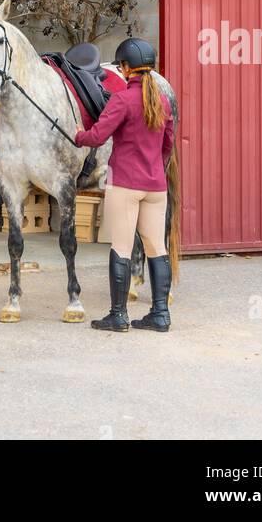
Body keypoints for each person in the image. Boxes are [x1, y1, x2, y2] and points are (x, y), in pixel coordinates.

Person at [74, 38, 175, 333]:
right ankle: (160, 314)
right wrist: (153, 167)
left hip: (125, 184)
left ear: (126, 68)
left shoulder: (122, 100)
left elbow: (96, 137)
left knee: (121, 246)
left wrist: (78, 134)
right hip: (156, 186)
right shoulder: (163, 100)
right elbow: (167, 146)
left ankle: (118, 315)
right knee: (157, 247)